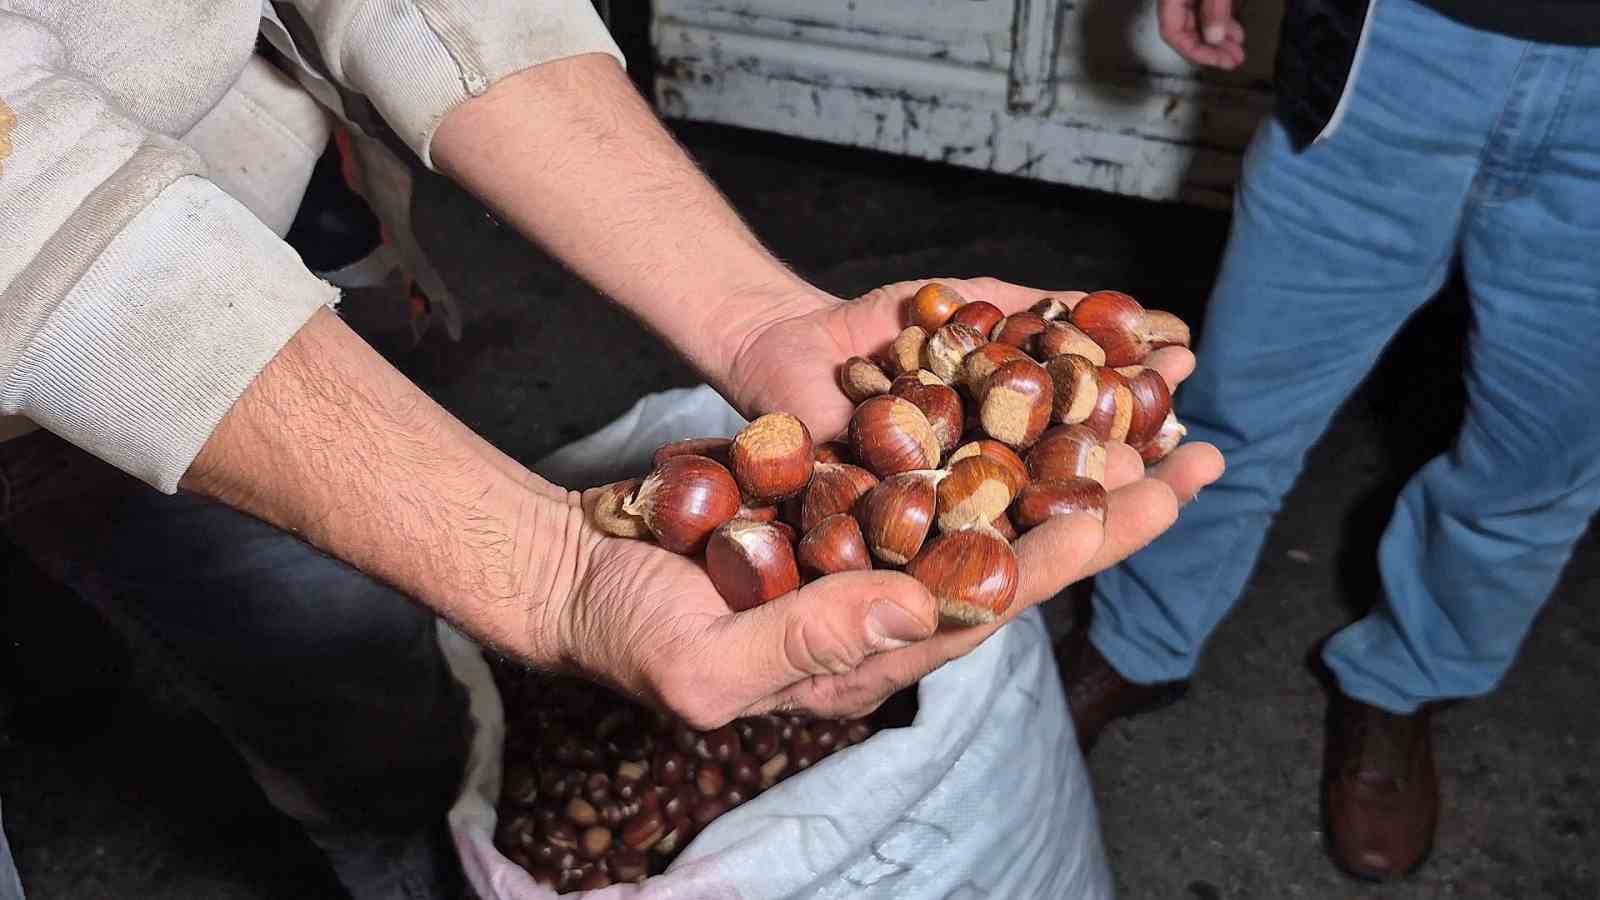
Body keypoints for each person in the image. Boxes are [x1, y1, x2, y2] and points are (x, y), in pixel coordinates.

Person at [0, 2, 1223, 897]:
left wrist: (757, 319)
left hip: (222, 248)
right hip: (72, 259)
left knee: (352, 713)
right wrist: (549, 574)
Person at [1065, 0, 1600, 883]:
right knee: (1233, 408)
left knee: (1542, 466)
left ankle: (1405, 679)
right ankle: (1136, 640)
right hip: (1401, 38)